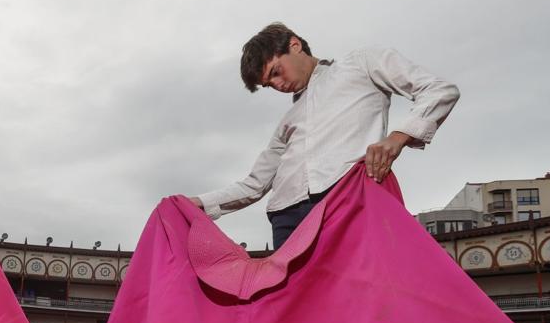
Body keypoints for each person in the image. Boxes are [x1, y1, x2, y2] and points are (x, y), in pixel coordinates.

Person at [187, 23, 460, 248]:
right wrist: (198, 203)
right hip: (286, 219)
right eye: (270, 85)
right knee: (299, 310)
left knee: (360, 300)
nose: (279, 85)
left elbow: (439, 90)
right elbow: (254, 185)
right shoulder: (287, 122)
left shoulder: (360, 63)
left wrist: (397, 138)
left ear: (294, 45)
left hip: (346, 200)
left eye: (276, 72)